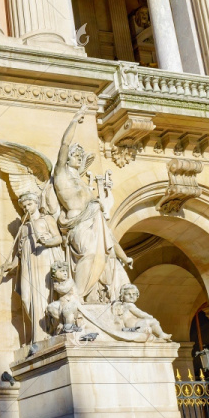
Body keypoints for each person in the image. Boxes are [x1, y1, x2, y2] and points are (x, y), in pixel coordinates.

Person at [53, 109, 133, 303]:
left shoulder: (82, 183)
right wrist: (73, 122)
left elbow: (109, 236)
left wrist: (124, 257)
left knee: (106, 255)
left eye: (81, 155)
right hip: (78, 224)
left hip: (94, 220)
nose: (79, 157)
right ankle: (77, 295)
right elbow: (64, 145)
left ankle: (94, 298)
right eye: (75, 155)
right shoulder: (61, 175)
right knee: (88, 253)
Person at [0, 192, 64, 342]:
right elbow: (19, 253)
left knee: (44, 293)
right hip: (28, 264)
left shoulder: (45, 219)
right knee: (26, 298)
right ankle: (38, 332)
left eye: (29, 204)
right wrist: (11, 265)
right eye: (24, 206)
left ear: (36, 204)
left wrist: (46, 242)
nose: (26, 208)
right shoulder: (23, 227)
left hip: (43, 259)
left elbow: (58, 238)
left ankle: (48, 331)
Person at [46, 261, 82, 334]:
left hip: (72, 302)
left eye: (66, 271)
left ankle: (69, 329)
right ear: (55, 274)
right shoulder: (56, 283)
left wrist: (57, 287)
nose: (65, 273)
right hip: (63, 303)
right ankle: (61, 322)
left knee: (67, 310)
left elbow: (63, 290)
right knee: (50, 307)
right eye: (62, 271)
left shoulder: (69, 281)